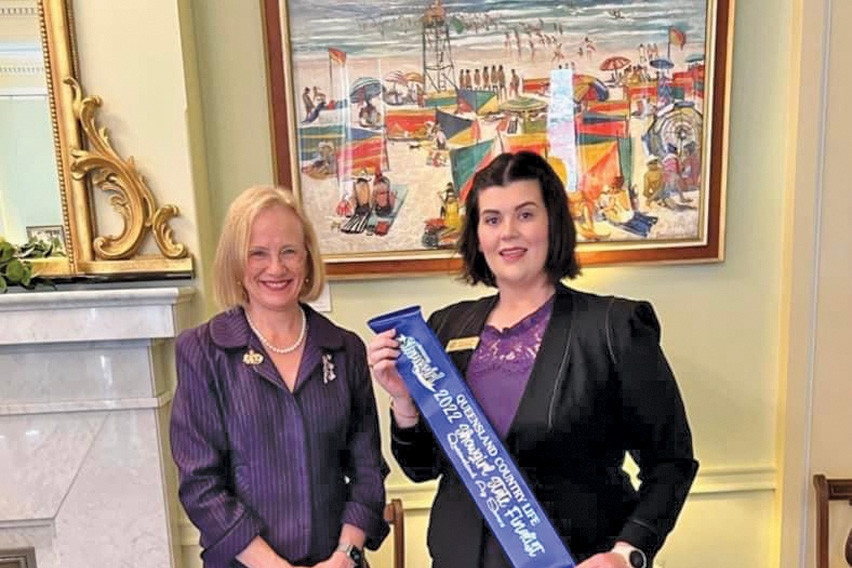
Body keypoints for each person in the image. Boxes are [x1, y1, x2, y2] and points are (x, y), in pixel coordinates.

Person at [368, 152, 697, 568]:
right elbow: (423, 468)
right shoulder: (445, 327)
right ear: (477, 234)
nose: (508, 233)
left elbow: (671, 462)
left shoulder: (614, 326)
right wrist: (403, 402)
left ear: (553, 222)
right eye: (492, 219)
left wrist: (626, 553)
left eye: (525, 215)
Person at [171, 186, 388, 568]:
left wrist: (346, 555)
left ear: (307, 258)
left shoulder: (345, 349)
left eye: (289, 251)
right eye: (258, 253)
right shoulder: (203, 352)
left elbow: (368, 470)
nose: (276, 268)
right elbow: (201, 485)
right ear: (237, 263)